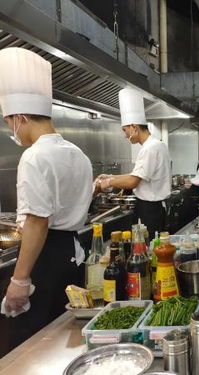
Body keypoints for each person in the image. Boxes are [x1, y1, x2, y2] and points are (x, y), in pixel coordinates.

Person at [0, 48, 93, 348]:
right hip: (71, 253)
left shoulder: (33, 156)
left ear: (20, 117)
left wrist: (19, 280)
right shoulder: (78, 154)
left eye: (9, 121)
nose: (11, 130)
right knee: (62, 335)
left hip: (45, 257)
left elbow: (38, 222)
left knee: (30, 342)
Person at [95, 88, 171, 235]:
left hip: (149, 210)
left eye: (125, 130)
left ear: (134, 127)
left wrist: (106, 183)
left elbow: (132, 182)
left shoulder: (149, 149)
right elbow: (136, 175)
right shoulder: (157, 145)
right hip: (153, 209)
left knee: (146, 250)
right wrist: (111, 176)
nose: (125, 135)